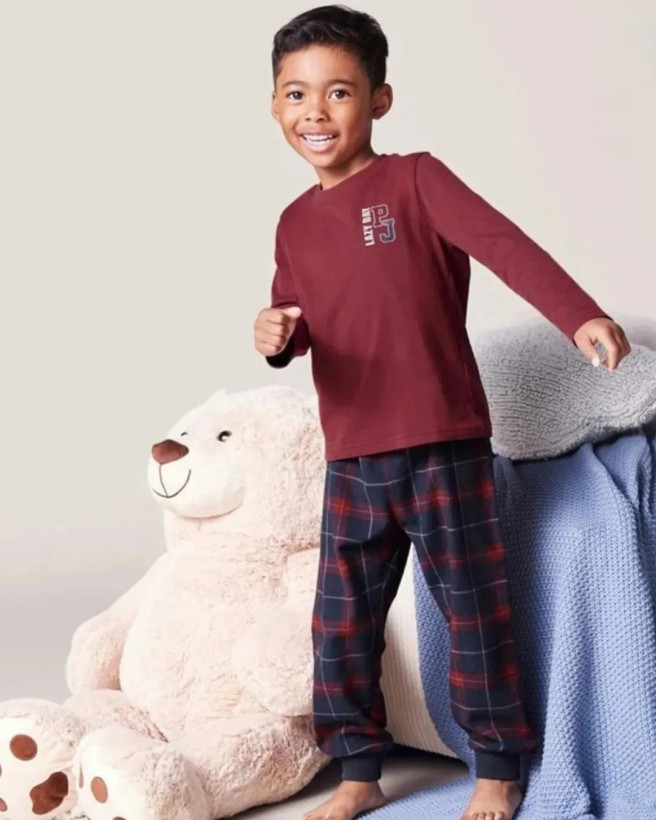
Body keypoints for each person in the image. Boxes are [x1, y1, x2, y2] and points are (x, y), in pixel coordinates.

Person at [253, 6, 630, 819]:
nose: (315, 111)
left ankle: (497, 767)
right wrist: (277, 332)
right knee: (341, 624)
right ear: (275, 105)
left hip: (443, 445)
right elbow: (297, 315)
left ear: (379, 101)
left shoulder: (415, 181)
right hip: (352, 457)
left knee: (473, 612)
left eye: (338, 91)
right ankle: (358, 770)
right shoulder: (293, 223)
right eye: (296, 93)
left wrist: (580, 316)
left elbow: (505, 245)